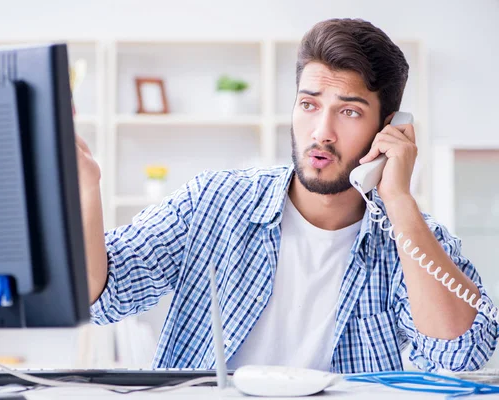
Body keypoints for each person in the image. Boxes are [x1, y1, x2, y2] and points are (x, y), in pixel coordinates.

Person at [75, 18, 497, 373]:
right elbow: (101, 299)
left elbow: (460, 356)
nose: (321, 132)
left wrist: (400, 199)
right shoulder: (213, 202)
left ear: (389, 128)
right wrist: (87, 187)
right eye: (309, 104)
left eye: (349, 111)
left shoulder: (411, 240)